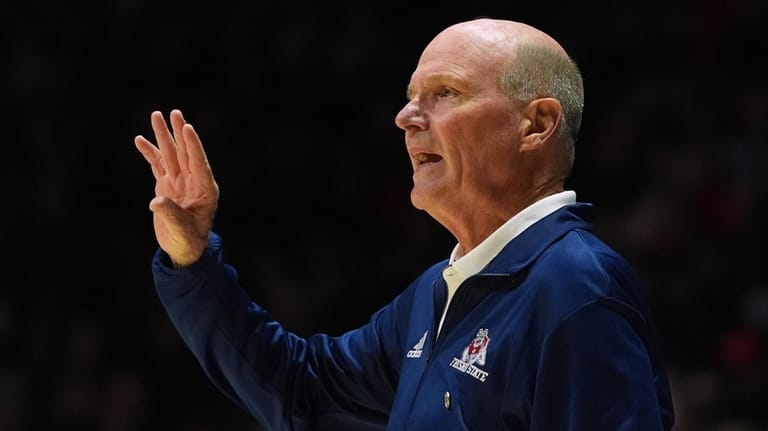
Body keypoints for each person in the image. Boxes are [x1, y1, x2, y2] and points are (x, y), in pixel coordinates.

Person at [134, 17, 675, 430]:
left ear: (536, 125)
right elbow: (302, 393)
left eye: (446, 93)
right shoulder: (439, 294)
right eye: (411, 97)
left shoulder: (576, 289)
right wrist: (193, 260)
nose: (406, 117)